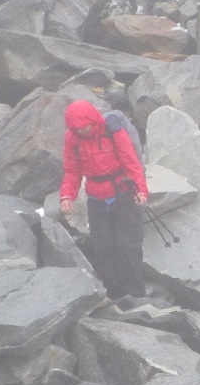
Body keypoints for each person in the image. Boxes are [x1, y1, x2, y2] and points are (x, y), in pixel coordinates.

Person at [59, 100, 149, 300]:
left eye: (85, 127)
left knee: (129, 246)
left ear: (93, 120)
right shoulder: (72, 139)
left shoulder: (113, 131)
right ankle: (113, 294)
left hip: (123, 193)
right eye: (78, 129)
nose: (83, 132)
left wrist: (141, 191)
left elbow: (131, 163)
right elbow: (72, 171)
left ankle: (136, 295)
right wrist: (67, 195)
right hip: (96, 197)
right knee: (103, 247)